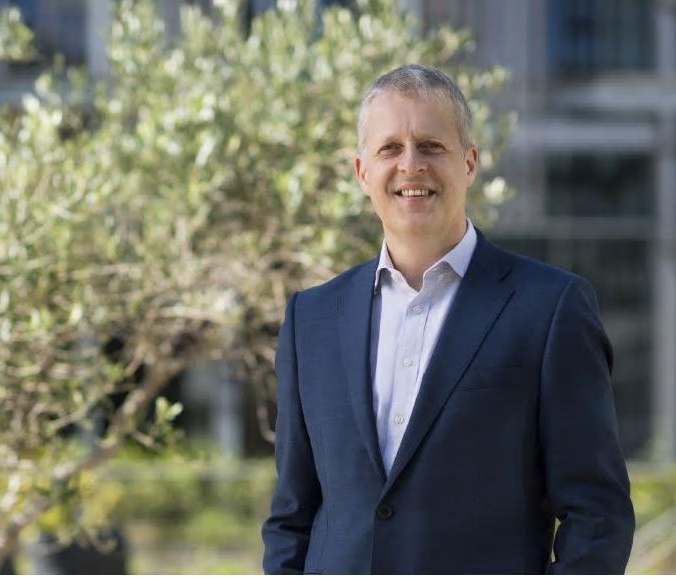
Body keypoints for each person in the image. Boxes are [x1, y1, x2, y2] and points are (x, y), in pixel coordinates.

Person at [261, 64, 635, 574]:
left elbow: (597, 516)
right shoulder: (311, 320)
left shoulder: (550, 309)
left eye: (431, 146)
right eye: (390, 148)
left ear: (470, 163)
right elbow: (291, 517)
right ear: (362, 172)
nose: (411, 165)